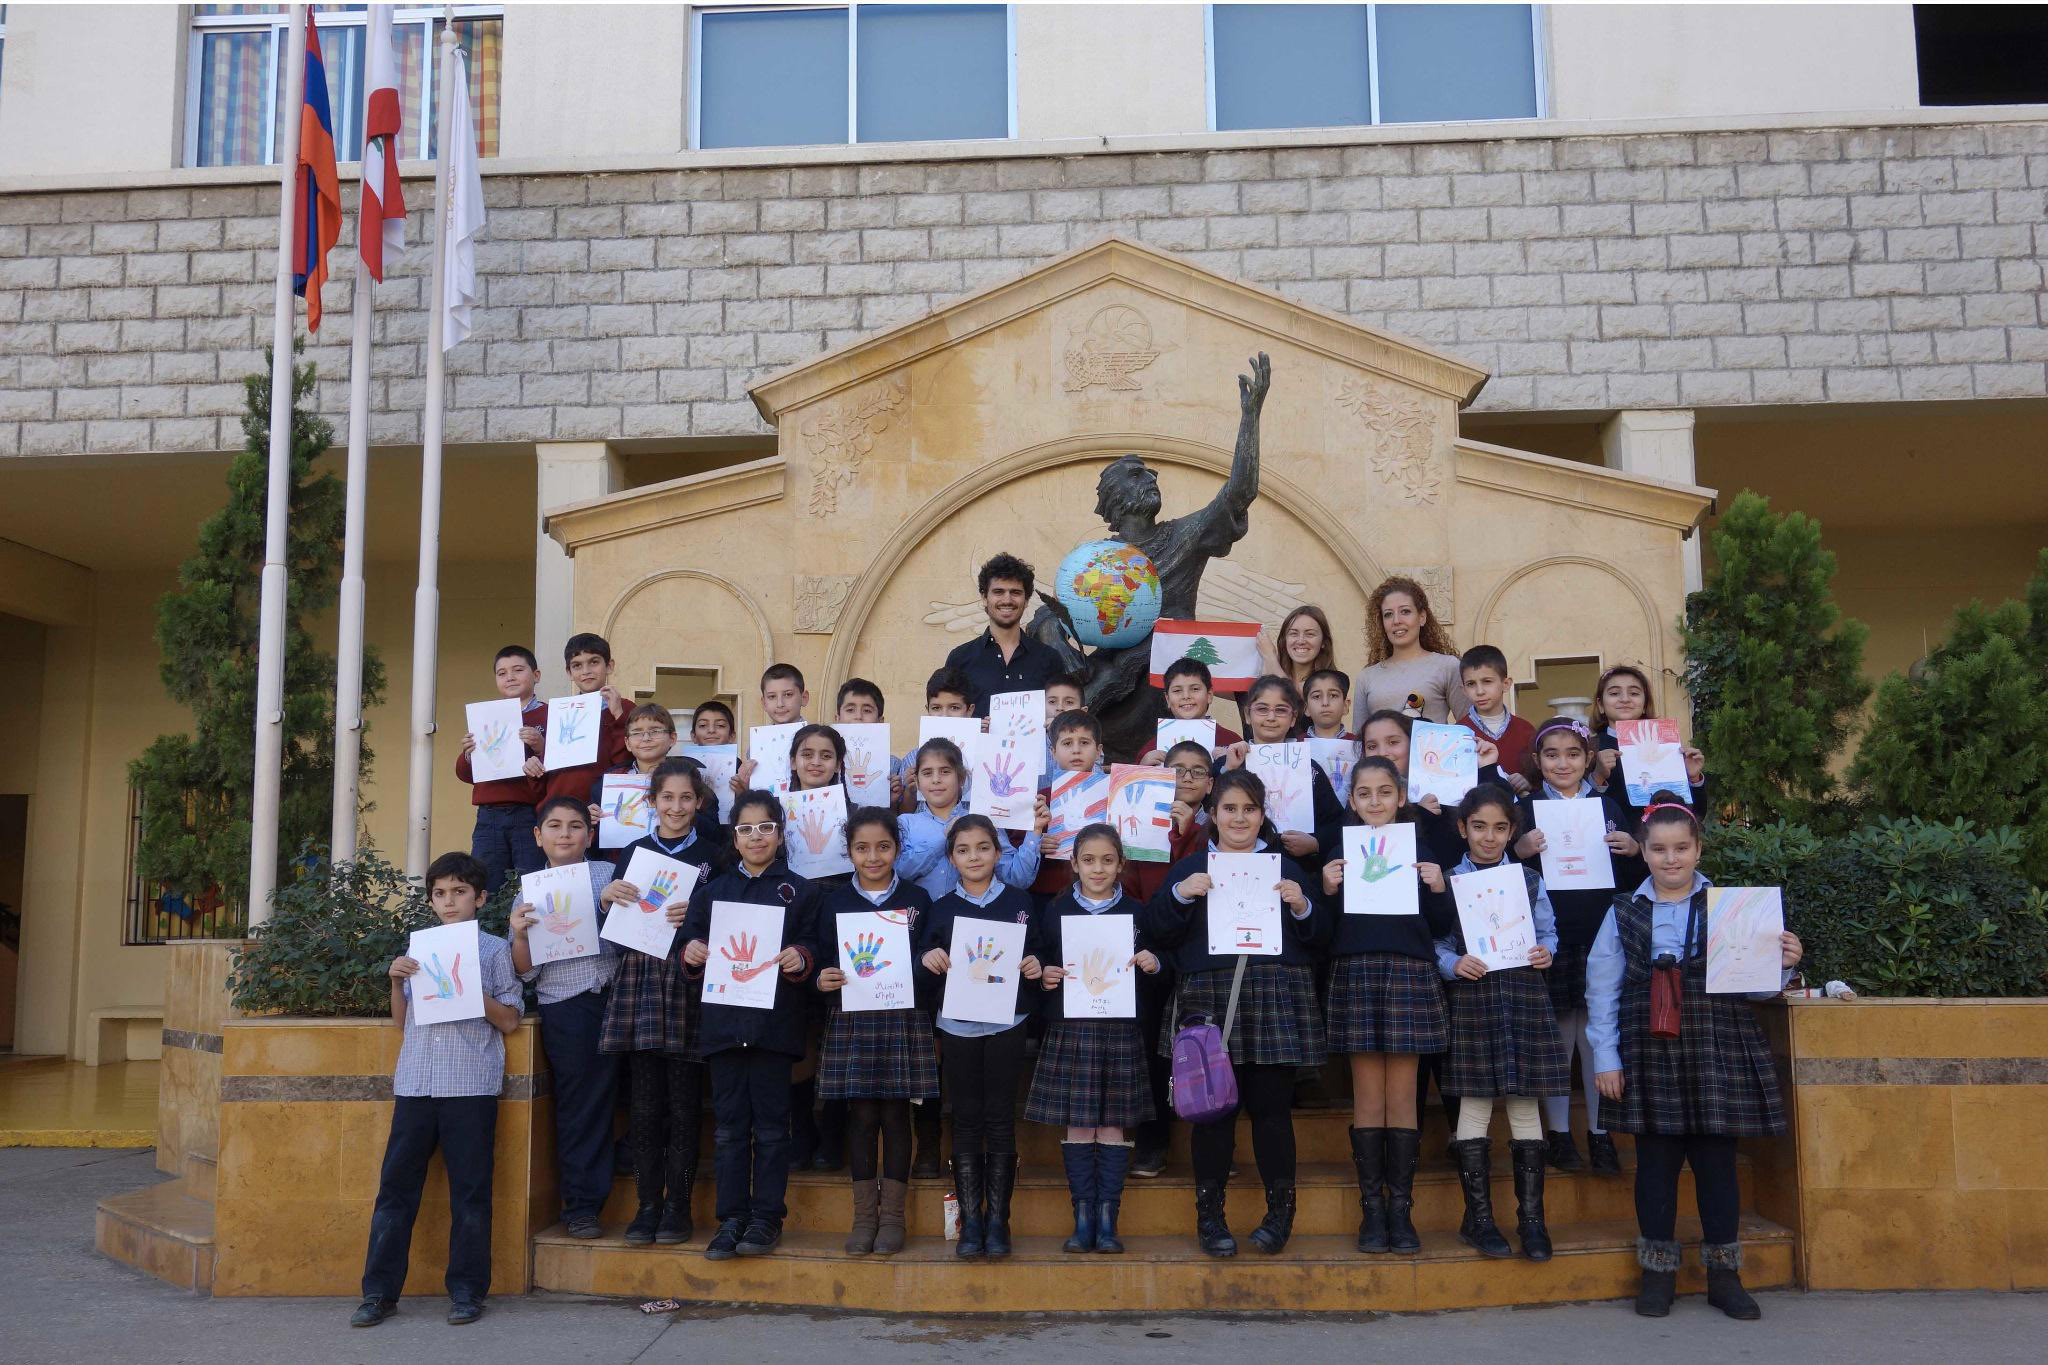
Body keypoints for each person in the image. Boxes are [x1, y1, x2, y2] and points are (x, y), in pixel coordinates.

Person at [1589, 800, 1802, 1320]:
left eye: (1681, 848)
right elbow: (1601, 988)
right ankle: (1657, 1274)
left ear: (1698, 849)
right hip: (1647, 1043)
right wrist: (1605, 1058)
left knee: (1716, 1163)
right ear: (1644, 852)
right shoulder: (1623, 911)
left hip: (1716, 1040)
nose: (1670, 858)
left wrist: (1784, 966)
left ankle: (1725, 1277)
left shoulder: (1734, 908)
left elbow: (1757, 988)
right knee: (1656, 1164)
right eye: (1659, 849)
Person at [1143, 770, 1329, 1258]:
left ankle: (1279, 1215)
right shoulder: (1189, 869)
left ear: (1263, 815)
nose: (1239, 818)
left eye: (1249, 809)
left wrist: (1304, 904)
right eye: (1229, 809)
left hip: (1273, 994)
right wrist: (1182, 897)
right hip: (1207, 999)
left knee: (1271, 1111)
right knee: (1212, 1114)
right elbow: (1157, 933)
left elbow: (1320, 938)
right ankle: (1210, 1219)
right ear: (1213, 815)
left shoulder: (1287, 868)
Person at [351, 852, 523, 1329]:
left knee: (471, 1193)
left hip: (470, 1084)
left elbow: (509, 1020)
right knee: (395, 1191)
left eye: (460, 892)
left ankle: (467, 1292)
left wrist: (472, 989)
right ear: (431, 901)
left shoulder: (492, 951)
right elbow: (403, 1023)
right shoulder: (418, 948)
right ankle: (379, 1293)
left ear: (480, 898)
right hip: (417, 1083)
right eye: (441, 894)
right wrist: (394, 981)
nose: (450, 902)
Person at [1317, 756, 1453, 1255]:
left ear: (1400, 798)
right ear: (1352, 801)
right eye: (1365, 794)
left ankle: (1402, 1209)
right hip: (1356, 972)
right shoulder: (1340, 852)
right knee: (1368, 1095)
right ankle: (1371, 1210)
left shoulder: (1420, 848)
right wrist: (1327, 889)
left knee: (1403, 1095)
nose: (1375, 802)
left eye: (1384, 792)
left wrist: (1438, 887)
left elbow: (1441, 924)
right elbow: (1322, 929)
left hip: (1409, 973)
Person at [679, 790, 821, 1260]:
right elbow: (690, 941)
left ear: (780, 834)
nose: (755, 837)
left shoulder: (802, 890)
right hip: (723, 1026)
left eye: (765, 827)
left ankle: (765, 1218)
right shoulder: (713, 892)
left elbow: (814, 944)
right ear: (733, 838)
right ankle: (732, 1218)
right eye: (745, 829)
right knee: (729, 1129)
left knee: (773, 1128)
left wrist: (801, 957)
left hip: (774, 1028)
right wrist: (692, 952)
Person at [1434, 785, 1566, 1263]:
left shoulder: (1528, 879)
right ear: (1462, 829)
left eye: (1500, 828)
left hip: (1523, 994)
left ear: (1513, 831)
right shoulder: (1447, 882)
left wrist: (1546, 951)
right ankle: (1480, 1220)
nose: (1489, 837)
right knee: (1474, 1102)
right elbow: (1436, 942)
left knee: (1525, 1105)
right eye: (1479, 827)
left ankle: (1532, 1222)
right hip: (1474, 996)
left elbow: (1548, 930)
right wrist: (1452, 963)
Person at [1510, 717, 1642, 1175]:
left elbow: (1631, 880)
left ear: (1588, 758)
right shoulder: (1525, 809)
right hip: (1551, 936)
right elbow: (1505, 877)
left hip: (1602, 932)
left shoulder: (1608, 806)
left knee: (1596, 1034)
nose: (1562, 763)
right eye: (1551, 755)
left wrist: (1632, 850)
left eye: (1572, 754)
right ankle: (1560, 1135)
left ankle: (1601, 1134)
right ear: (1537, 761)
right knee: (1559, 1036)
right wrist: (1519, 850)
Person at [600, 760, 719, 1246]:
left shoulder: (716, 856)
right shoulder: (634, 851)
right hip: (642, 980)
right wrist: (607, 896)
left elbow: (729, 918)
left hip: (688, 979)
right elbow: (614, 914)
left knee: (685, 1105)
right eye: (666, 798)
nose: (676, 807)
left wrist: (700, 914)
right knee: (646, 1106)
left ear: (699, 803)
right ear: (652, 802)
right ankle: (647, 1205)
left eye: (685, 798)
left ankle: (679, 1208)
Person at [1027, 824, 1161, 1254]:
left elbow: (1161, 968)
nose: (1098, 869)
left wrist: (1152, 962)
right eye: (1089, 860)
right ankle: (1082, 1214)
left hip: (1120, 1030)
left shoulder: (1140, 914)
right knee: (1081, 1124)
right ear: (1074, 865)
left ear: (1121, 864)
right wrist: (1046, 976)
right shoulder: (1056, 911)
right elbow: (1043, 963)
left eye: (1107, 860)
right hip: (1072, 1028)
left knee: (1113, 1123)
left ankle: (1108, 1218)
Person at [918, 815, 1043, 1259]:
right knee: (966, 1117)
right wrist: (928, 957)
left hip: (1008, 1022)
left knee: (1000, 1118)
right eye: (964, 850)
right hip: (957, 1026)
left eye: (983, 848)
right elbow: (925, 968)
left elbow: (1039, 958)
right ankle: (972, 1221)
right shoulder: (942, 907)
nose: (975, 857)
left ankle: (998, 1222)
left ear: (997, 852)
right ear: (952, 858)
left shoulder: (1020, 902)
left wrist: (1034, 968)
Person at [815, 807, 936, 1256]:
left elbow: (929, 960)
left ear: (897, 850)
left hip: (903, 1019)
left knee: (896, 1116)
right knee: (862, 1117)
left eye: (883, 846)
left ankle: (893, 1218)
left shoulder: (918, 901)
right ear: (848, 852)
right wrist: (822, 980)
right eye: (862, 848)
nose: (873, 856)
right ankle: (864, 1216)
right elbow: (822, 961)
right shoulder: (832, 902)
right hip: (852, 1019)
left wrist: (926, 965)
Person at [509, 796, 618, 1240]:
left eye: (575, 826)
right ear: (539, 837)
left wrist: (612, 904)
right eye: (554, 826)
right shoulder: (527, 891)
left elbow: (637, 932)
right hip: (566, 1004)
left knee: (637, 1096)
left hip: (616, 996)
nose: (566, 834)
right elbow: (523, 970)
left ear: (589, 835)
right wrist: (518, 933)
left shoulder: (609, 875)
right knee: (579, 1105)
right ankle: (582, 1205)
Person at [1219, 674, 1344, 886]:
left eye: (1281, 710)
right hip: (1236, 873)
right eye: (1262, 709)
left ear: (1294, 718)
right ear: (1247, 715)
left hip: (1297, 873)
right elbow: (1208, 814)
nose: (1271, 717)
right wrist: (1226, 770)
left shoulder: (1310, 769)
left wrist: (1316, 844)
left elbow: (1336, 822)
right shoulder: (1230, 762)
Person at [895, 738, 1041, 899]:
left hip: (971, 918)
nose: (936, 779)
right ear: (917, 780)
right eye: (927, 773)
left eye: (945, 771)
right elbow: (900, 872)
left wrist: (1035, 831)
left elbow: (1016, 879)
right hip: (920, 919)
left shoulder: (984, 822)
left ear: (962, 778)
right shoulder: (905, 823)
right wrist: (943, 836)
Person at [455, 645, 547, 891]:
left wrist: (541, 748)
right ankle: (489, 929)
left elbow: (560, 767)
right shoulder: (486, 717)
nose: (510, 677)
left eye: (518, 670)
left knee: (532, 883)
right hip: (489, 814)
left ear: (536, 675)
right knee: (486, 885)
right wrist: (468, 755)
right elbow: (466, 775)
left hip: (530, 812)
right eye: (502, 673)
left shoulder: (548, 715)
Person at [945, 552, 1066, 716]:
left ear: (1027, 600)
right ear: (984, 597)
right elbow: (948, 718)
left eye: (1015, 592)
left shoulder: (1050, 659)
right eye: (998, 592)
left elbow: (1061, 716)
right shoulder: (960, 658)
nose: (1007, 600)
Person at [1588, 664, 1708, 822]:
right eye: (1615, 693)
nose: (1625, 699)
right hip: (1613, 841)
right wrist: (1598, 776)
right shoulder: (1589, 748)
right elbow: (1580, 809)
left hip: (1659, 842)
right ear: (1601, 705)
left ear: (1645, 704)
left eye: (1634, 693)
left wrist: (1694, 778)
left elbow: (1696, 813)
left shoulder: (1667, 746)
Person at [1351, 576, 1470, 728]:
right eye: (1388, 614)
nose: (1396, 621)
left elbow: (1469, 728)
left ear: (1422, 617)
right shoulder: (1366, 676)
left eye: (1405, 612)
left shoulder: (1448, 666)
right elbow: (1359, 740)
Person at [541, 632, 631, 810]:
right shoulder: (557, 712)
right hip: (562, 805)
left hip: (606, 806)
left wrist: (618, 715)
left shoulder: (627, 708)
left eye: (594, 662)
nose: (586, 671)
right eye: (577, 665)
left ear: (609, 666)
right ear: (569, 672)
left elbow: (627, 761)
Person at [587, 702, 681, 870]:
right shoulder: (610, 783)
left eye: (655, 731)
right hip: (619, 865)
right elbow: (594, 846)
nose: (646, 738)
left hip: (674, 865)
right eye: (637, 733)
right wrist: (590, 821)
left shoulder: (687, 778)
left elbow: (709, 825)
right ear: (628, 743)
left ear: (672, 738)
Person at [1030, 709, 1105, 905]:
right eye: (1067, 743)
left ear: (1098, 751)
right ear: (1053, 752)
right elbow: (1018, 849)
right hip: (1049, 894)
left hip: (1102, 893)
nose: (1076, 750)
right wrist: (1037, 842)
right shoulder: (1040, 799)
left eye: (1085, 742)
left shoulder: (1114, 794)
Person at [1457, 645, 1535, 794]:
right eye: (1471, 684)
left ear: (1505, 684)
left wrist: (1528, 781)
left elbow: (1541, 776)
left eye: (1487, 681)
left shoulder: (1526, 730)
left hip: (1520, 813)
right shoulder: (1458, 734)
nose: (1479, 691)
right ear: (1464, 690)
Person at [1138, 657, 1243, 762]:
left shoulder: (1231, 743)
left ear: (1209, 695)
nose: (1186, 696)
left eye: (1195, 689)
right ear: (1168, 699)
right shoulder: (1151, 749)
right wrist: (1143, 770)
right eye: (1177, 690)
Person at [734, 663, 811, 792]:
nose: (780, 704)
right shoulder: (757, 747)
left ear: (804, 698)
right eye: (772, 697)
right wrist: (744, 788)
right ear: (764, 703)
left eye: (788, 695)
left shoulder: (818, 739)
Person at [1261, 604, 1337, 695]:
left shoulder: (1332, 683)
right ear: (1284, 640)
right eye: (1294, 633)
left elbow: (1295, 702)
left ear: (1323, 642)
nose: (1301, 641)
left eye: (1310, 634)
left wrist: (1270, 657)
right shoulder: (1268, 673)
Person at [1301, 668, 1355, 742]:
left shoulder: (1358, 746)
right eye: (1317, 696)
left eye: (1333, 695)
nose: (1325, 703)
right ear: (1306, 708)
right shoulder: (1296, 746)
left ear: (1345, 706)